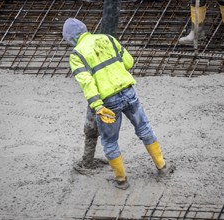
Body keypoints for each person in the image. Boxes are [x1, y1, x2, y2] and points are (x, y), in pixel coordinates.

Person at [62, 18, 171, 190]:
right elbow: (129, 62)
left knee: (110, 141)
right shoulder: (108, 39)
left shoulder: (77, 55)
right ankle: (162, 167)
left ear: (70, 38)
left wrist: (97, 105)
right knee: (144, 129)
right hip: (128, 91)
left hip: (108, 101)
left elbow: (86, 82)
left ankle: (121, 180)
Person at [73, 0, 122, 174]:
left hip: (101, 93)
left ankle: (90, 161)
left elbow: (87, 83)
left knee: (96, 127)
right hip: (117, 88)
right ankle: (94, 162)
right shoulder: (103, 40)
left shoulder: (79, 53)